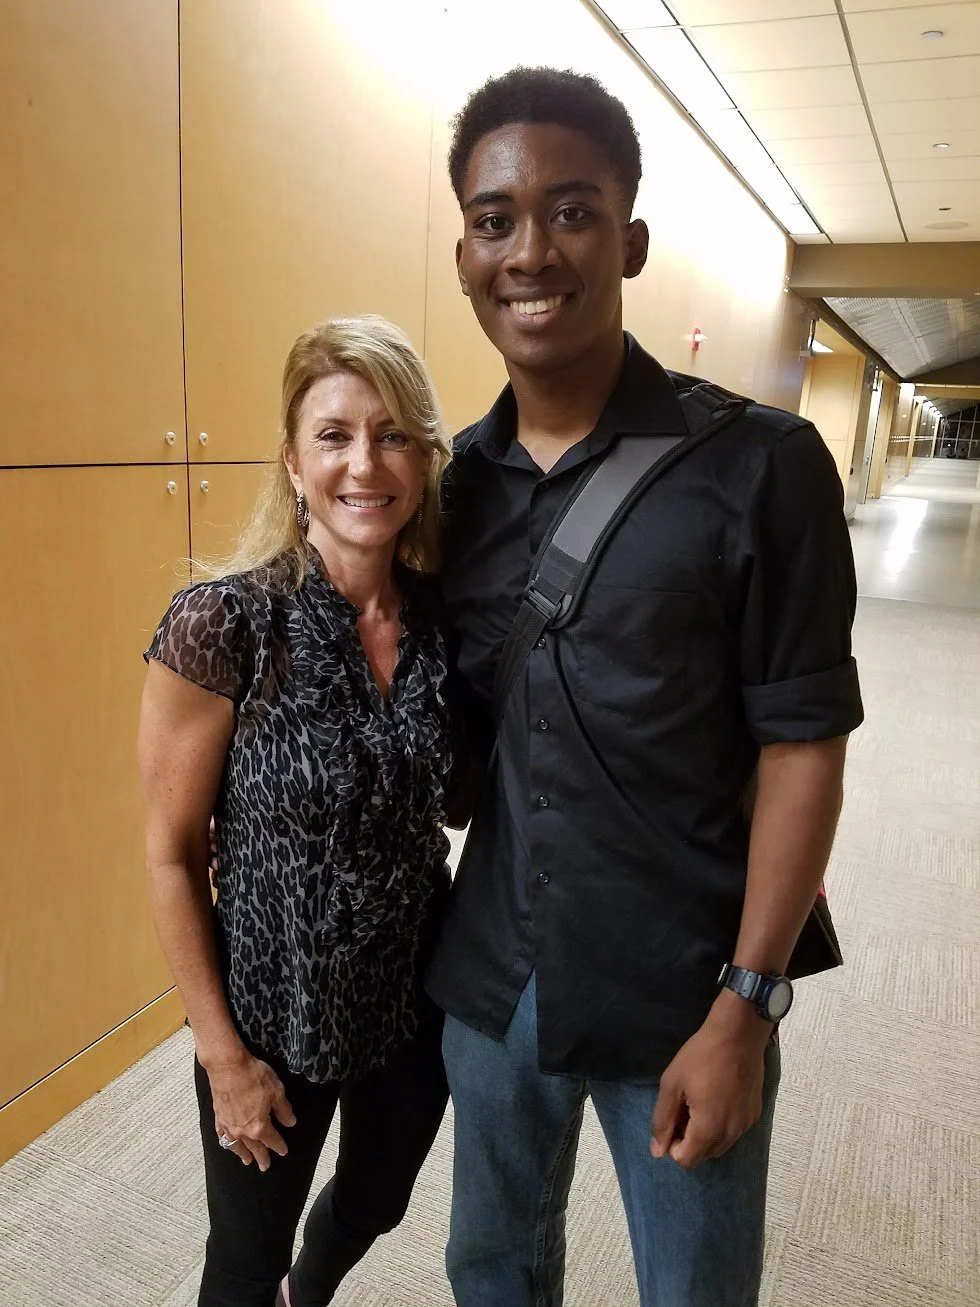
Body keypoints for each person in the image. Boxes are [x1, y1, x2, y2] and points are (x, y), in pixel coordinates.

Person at [425, 67, 864, 1307]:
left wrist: (746, 1006)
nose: (528, 251)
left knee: (693, 1288)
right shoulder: (451, 487)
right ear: (463, 251)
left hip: (683, 986)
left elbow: (802, 747)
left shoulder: (758, 466)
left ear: (627, 238)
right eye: (493, 218)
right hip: (495, 974)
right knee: (490, 1266)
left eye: (569, 211)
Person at [137, 315, 454, 1307]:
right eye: (334, 434)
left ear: (424, 456)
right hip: (272, 1008)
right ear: (291, 459)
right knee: (242, 1262)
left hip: (414, 993)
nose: (365, 462)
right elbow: (171, 855)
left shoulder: (447, 619)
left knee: (373, 1203)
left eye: (393, 432)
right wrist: (220, 1053)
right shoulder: (222, 623)